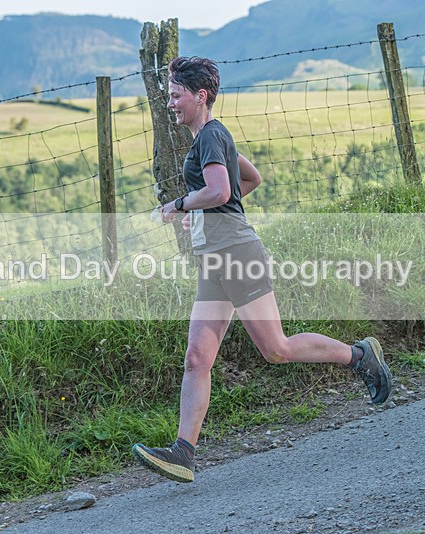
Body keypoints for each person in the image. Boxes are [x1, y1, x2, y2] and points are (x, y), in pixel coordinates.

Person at [131, 56, 391, 483]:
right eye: (169, 96)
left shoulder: (212, 136)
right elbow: (247, 179)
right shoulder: (210, 140)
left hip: (237, 252)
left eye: (176, 96)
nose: (170, 104)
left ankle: (360, 356)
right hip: (215, 259)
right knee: (197, 358)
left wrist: (181, 204)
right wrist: (214, 206)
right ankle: (183, 453)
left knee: (277, 349)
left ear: (200, 96)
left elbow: (219, 189)